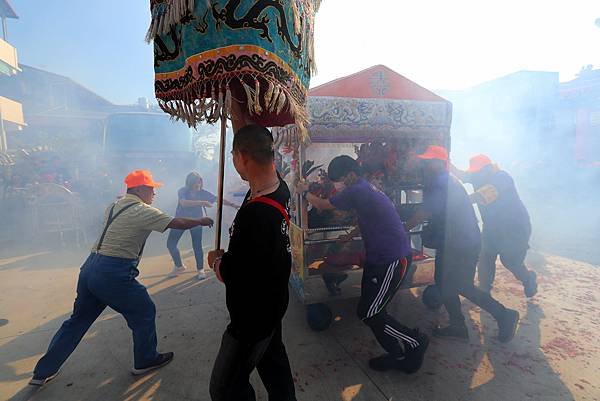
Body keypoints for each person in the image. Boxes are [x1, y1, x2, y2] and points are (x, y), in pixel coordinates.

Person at [29, 170, 214, 387]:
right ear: (139, 189)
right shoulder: (142, 211)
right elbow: (178, 223)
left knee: (77, 321)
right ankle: (145, 359)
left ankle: (42, 372)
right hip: (113, 272)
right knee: (145, 311)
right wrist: (201, 220)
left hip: (90, 267)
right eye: (151, 189)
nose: (154, 193)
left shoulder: (114, 206)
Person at [297, 155, 429, 373]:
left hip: (392, 259)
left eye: (338, 180)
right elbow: (367, 217)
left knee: (371, 313)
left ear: (350, 175)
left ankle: (415, 341)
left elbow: (321, 204)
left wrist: (303, 191)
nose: (337, 185)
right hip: (376, 258)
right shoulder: (364, 189)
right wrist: (349, 236)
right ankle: (396, 354)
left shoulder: (357, 189)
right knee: (368, 312)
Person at [207, 125, 296, 401]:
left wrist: (216, 262)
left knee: (225, 388)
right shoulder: (278, 187)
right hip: (273, 302)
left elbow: (236, 274)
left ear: (242, 156)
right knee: (274, 369)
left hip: (251, 318)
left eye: (234, 156)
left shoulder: (255, 216)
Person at [406, 146, 519, 342]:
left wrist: (402, 228)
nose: (425, 164)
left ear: (440, 163)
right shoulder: (443, 180)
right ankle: (458, 325)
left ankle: (503, 314)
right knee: (444, 282)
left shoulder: (443, 182)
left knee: (461, 286)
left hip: (461, 243)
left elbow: (425, 212)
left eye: (429, 161)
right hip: (455, 241)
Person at [452, 154, 537, 297]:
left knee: (510, 261)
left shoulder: (502, 178)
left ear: (488, 168)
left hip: (514, 228)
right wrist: (446, 163)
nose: (475, 175)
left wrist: (459, 202)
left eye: (477, 171)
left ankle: (528, 279)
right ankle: (484, 290)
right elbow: (461, 175)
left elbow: (482, 195)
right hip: (492, 226)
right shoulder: (477, 175)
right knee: (485, 256)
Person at [167, 172, 238, 280]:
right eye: (195, 182)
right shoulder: (182, 191)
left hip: (197, 221)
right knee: (171, 244)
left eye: (199, 182)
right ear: (189, 183)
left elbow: (217, 199)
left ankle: (200, 269)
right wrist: (202, 202)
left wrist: (232, 205)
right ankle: (179, 266)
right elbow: (183, 203)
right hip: (181, 220)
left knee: (197, 245)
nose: (198, 185)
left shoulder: (203, 192)